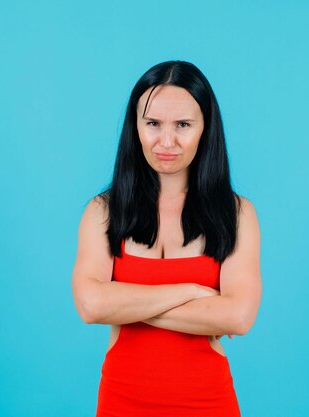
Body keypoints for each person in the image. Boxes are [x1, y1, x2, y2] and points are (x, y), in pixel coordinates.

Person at [72, 60, 262, 416]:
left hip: (209, 403)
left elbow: (238, 316)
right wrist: (191, 292)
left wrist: (125, 302)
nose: (167, 141)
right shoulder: (102, 212)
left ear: (206, 128)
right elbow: (91, 305)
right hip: (121, 401)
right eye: (153, 124)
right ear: (136, 127)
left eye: (184, 125)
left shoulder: (237, 214)